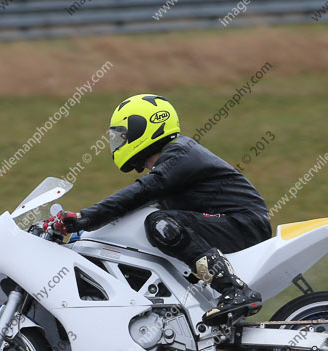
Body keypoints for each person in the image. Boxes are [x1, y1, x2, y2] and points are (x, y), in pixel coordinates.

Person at [44, 94, 271, 326]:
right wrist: (81, 234)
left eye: (124, 135)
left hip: (243, 224)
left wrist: (85, 217)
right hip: (226, 224)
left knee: (159, 224)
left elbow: (139, 192)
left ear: (146, 128)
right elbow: (129, 206)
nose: (119, 142)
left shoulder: (181, 153)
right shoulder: (169, 167)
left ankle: (235, 290)